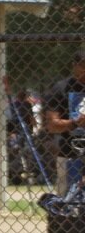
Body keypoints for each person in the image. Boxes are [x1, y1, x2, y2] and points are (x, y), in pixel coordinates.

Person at [43, 48, 85, 197]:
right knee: (67, 201)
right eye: (82, 66)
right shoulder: (61, 88)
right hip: (69, 153)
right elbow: (51, 125)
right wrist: (75, 123)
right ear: (75, 66)